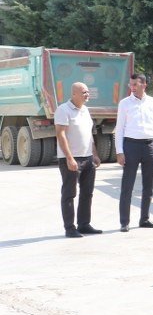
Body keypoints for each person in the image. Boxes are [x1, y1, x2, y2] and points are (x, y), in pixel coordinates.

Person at [114, 73, 153, 232]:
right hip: (131, 146)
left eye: (135, 84)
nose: (132, 87)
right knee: (127, 185)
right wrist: (119, 151)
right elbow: (120, 128)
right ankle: (124, 222)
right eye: (131, 85)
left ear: (144, 85)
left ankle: (145, 219)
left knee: (148, 186)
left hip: (150, 145)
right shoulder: (125, 103)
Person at [54, 82, 103, 238]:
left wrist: (94, 154)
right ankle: (69, 228)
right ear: (74, 94)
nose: (87, 94)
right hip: (71, 159)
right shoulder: (63, 110)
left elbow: (89, 135)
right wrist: (69, 158)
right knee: (69, 194)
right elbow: (60, 135)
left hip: (87, 158)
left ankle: (84, 224)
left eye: (88, 92)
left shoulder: (85, 110)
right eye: (84, 92)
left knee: (87, 193)